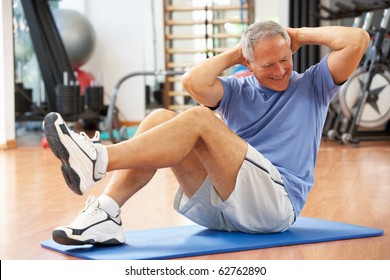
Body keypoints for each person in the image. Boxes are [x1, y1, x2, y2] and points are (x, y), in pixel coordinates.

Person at [43, 20, 369, 246]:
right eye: (268, 64)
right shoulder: (237, 90)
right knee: (159, 117)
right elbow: (192, 83)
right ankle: (106, 214)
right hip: (223, 209)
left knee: (199, 119)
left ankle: (98, 158)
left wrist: (295, 34)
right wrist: (237, 52)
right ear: (249, 64)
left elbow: (358, 40)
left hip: (275, 206)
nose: (281, 70)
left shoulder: (313, 85)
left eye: (285, 59)